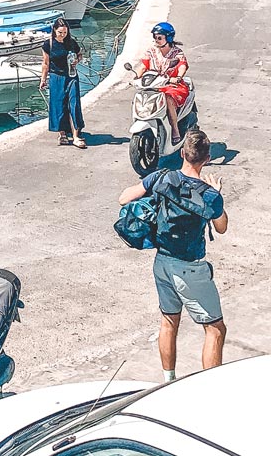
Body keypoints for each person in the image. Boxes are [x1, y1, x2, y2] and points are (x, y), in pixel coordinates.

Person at [118, 129, 228, 380]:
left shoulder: (161, 177)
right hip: (190, 268)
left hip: (162, 262)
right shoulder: (209, 195)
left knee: (169, 321)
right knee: (215, 329)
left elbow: (123, 198)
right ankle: (212, 386)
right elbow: (221, 227)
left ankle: (168, 381)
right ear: (207, 159)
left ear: (182, 154)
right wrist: (217, 194)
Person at [137, 22, 189, 145]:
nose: (156, 40)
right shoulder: (151, 51)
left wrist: (178, 77)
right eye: (155, 37)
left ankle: (175, 130)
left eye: (159, 37)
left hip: (172, 85)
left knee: (168, 99)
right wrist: (135, 77)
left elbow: (182, 65)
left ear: (168, 38)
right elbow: (143, 66)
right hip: (154, 85)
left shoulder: (177, 53)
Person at [40, 17, 86, 148]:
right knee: (59, 105)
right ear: (54, 30)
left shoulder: (71, 42)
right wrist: (43, 79)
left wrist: (77, 60)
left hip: (71, 76)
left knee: (74, 103)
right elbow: (45, 63)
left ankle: (76, 135)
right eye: (60, 32)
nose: (63, 35)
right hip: (56, 77)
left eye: (65, 32)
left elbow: (80, 54)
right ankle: (62, 134)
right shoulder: (48, 44)